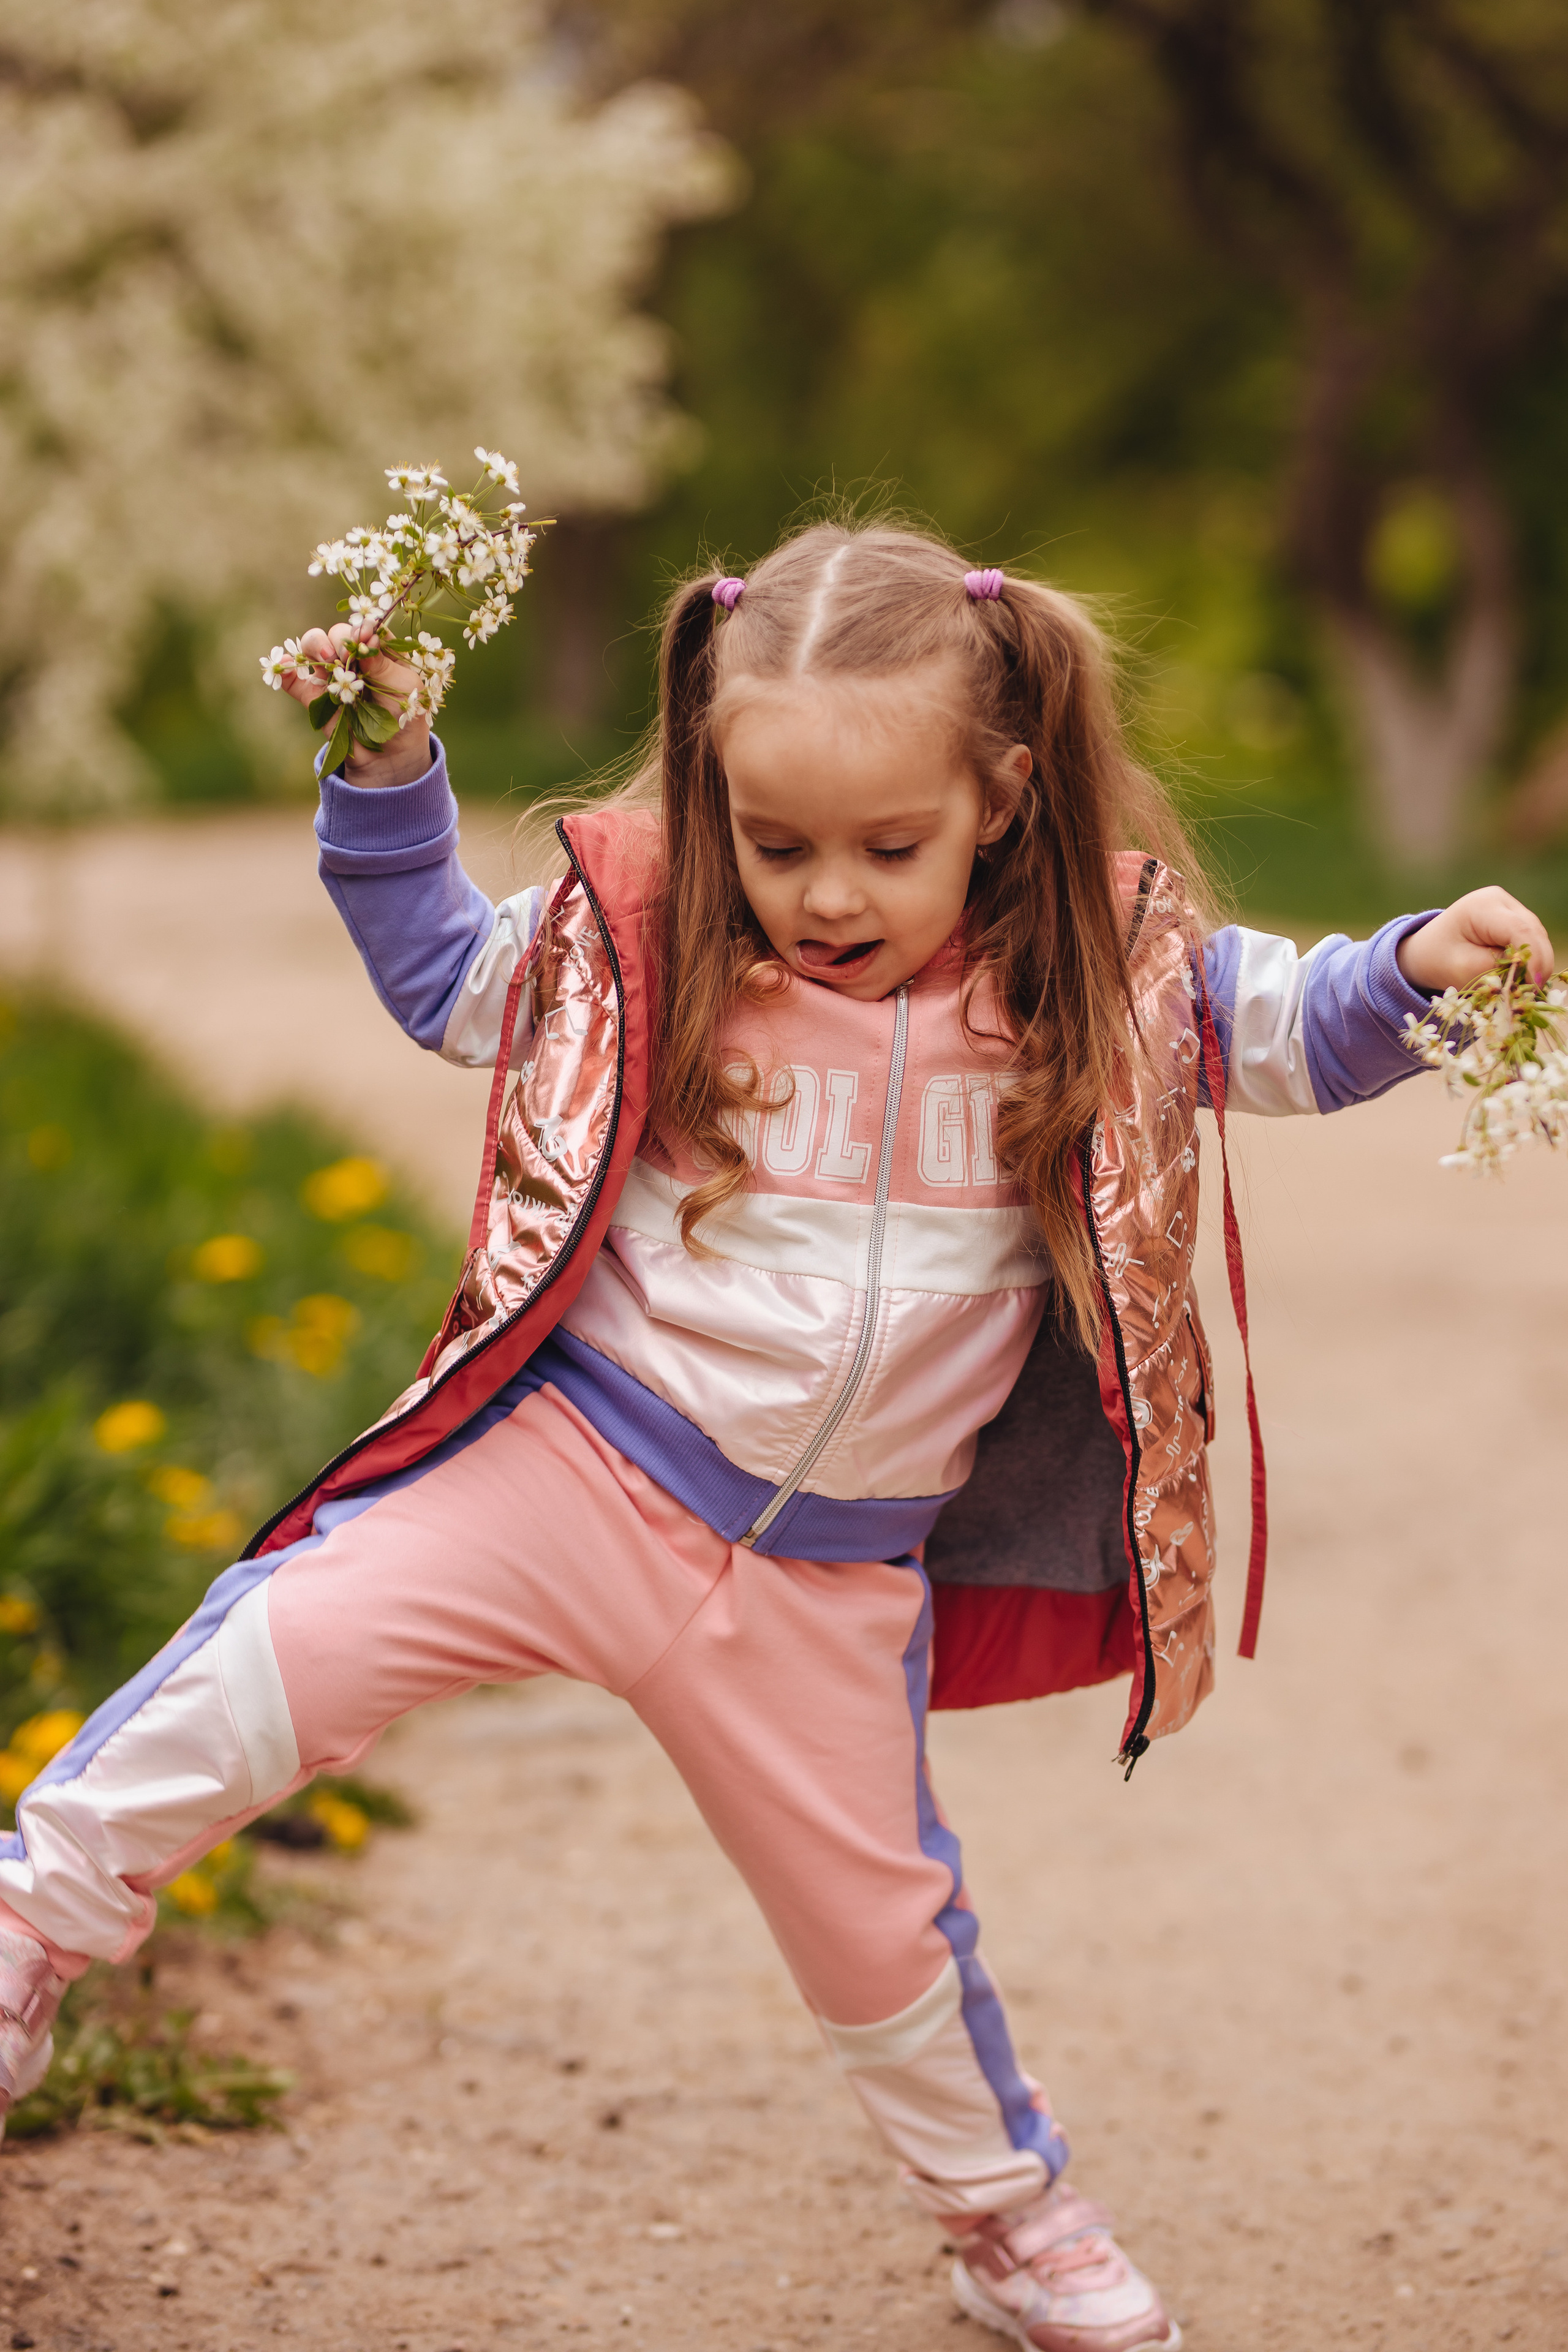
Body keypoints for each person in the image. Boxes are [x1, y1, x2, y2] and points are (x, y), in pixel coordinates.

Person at [0, 523, 1553, 2352]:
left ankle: (1007, 2218)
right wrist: (389, 765)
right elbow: (444, 982)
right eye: (775, 841)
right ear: (712, 798)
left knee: (886, 1943)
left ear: (1000, 795)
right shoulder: (649, 942)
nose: (825, 896)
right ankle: (32, 1927)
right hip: (576, 1473)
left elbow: (1291, 1028)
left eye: (889, 848)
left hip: (825, 1579)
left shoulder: (1091, 976)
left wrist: (1428, 961)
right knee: (269, 1661)